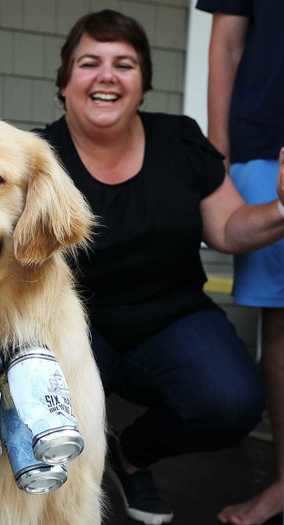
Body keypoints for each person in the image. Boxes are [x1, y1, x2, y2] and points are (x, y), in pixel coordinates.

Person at [34, 10, 284, 525]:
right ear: (64, 83)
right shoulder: (38, 157)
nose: (107, 75)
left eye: (124, 64)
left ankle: (131, 454)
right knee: (47, 408)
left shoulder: (179, 140)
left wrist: (283, 208)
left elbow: (229, 228)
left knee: (232, 401)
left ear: (143, 84)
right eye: (89, 63)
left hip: (171, 320)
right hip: (74, 326)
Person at [197, 2, 284, 523]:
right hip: (270, 138)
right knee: (283, 319)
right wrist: (219, 154)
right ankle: (283, 482)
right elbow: (227, 42)